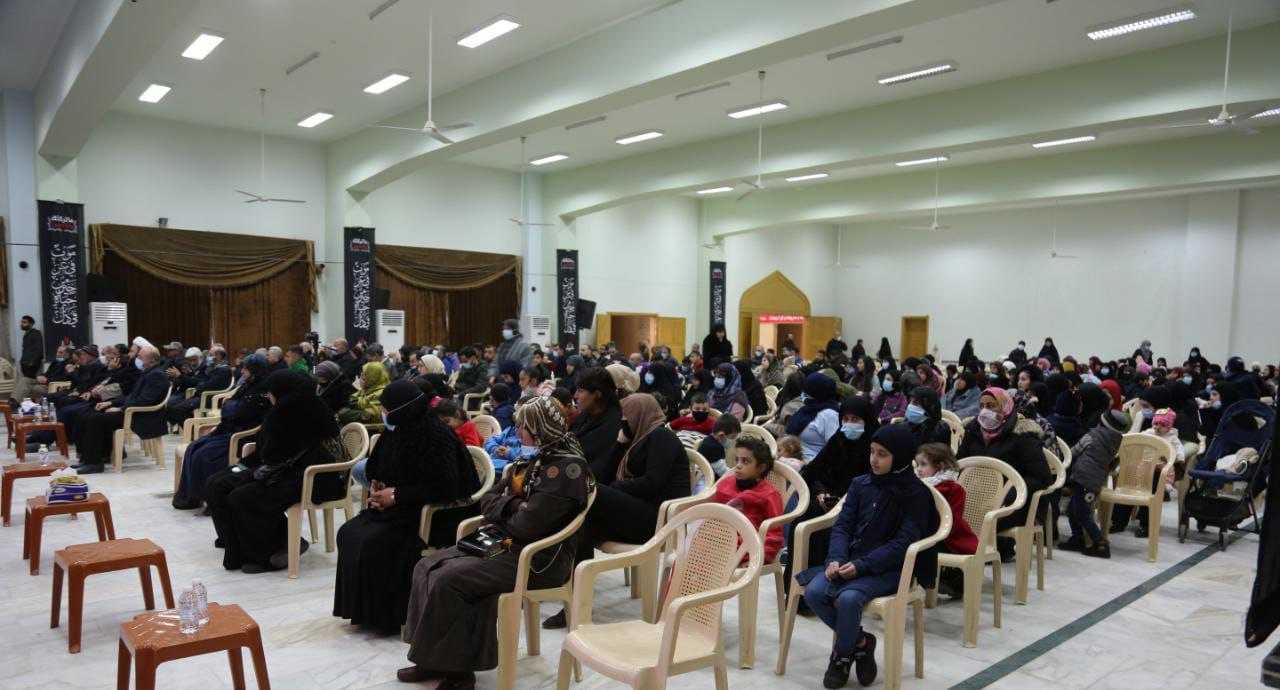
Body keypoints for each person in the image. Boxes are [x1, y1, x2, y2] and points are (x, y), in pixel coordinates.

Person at [398, 396, 592, 688]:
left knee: (453, 580)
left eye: (523, 427)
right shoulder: (530, 460)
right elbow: (488, 498)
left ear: (539, 429)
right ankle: (430, 659)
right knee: (426, 566)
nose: (518, 433)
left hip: (538, 558)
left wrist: (506, 509)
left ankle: (459, 672)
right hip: (506, 543)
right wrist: (514, 505)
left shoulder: (567, 469)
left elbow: (528, 525)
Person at [334, 380, 482, 634]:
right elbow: (375, 464)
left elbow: (445, 486)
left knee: (375, 542)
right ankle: (362, 611)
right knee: (349, 532)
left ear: (402, 408)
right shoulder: (396, 430)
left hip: (434, 513)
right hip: (401, 507)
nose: (384, 413)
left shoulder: (436, 435)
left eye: (386, 408)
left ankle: (388, 616)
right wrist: (378, 483)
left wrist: (397, 495)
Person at [542, 392, 688, 630]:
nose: (623, 422)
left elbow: (652, 483)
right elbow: (603, 475)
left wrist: (613, 489)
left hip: (659, 520)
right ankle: (576, 601)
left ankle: (567, 590)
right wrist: (620, 445)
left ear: (640, 414)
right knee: (582, 524)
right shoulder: (636, 439)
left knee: (591, 492)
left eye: (626, 418)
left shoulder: (662, 437)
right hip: (637, 512)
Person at [801, 424, 931, 689]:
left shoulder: (916, 494)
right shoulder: (861, 484)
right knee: (814, 592)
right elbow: (842, 527)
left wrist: (862, 565)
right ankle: (861, 643)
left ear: (900, 456)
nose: (874, 459)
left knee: (848, 599)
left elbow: (903, 543)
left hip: (889, 568)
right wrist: (835, 559)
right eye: (872, 452)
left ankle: (840, 658)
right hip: (850, 560)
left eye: (882, 454)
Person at [206, 370, 350, 573]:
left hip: (315, 477)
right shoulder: (295, 406)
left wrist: (252, 468)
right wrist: (249, 466)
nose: (268, 396)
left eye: (271, 392)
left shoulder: (290, 410)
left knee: (242, 495)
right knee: (220, 484)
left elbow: (274, 453)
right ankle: (237, 544)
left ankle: (268, 553)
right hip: (291, 470)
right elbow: (272, 451)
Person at [956, 387, 1051, 560]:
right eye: (982, 406)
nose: (985, 411)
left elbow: (1041, 477)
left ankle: (977, 555)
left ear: (1005, 406)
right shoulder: (974, 430)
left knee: (979, 519)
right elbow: (960, 464)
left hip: (1012, 502)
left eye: (991, 406)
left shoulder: (1022, 434)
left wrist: (1005, 492)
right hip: (975, 495)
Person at [172, 354, 273, 510]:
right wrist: (231, 406)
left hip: (243, 435)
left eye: (246, 369)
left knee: (204, 455)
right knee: (194, 447)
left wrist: (230, 406)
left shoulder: (263, 390)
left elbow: (239, 412)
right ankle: (191, 497)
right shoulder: (247, 385)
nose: (242, 372)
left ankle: (209, 498)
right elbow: (229, 407)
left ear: (255, 370)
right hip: (229, 429)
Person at [71, 345, 171, 474]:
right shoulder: (148, 372)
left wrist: (120, 409)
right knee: (88, 414)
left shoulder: (157, 375)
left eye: (140, 357)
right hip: (134, 412)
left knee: (95, 419)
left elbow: (145, 400)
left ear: (151, 360)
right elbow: (132, 396)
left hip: (143, 416)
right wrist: (110, 403)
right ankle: (93, 458)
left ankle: (94, 464)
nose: (137, 358)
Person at [1060, 409, 1128, 559]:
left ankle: (1101, 544)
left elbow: (1073, 452)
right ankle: (1077, 538)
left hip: (1083, 478)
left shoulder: (1092, 436)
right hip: (1095, 480)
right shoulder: (1116, 440)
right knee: (1073, 509)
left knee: (1083, 513)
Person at [914, 442, 978, 596]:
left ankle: (949, 582)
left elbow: (952, 524)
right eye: (917, 464)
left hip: (951, 539)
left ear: (940, 466)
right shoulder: (918, 486)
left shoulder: (954, 490)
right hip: (926, 534)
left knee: (919, 548)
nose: (918, 469)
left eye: (923, 464)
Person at [713, 436, 784, 563]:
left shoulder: (769, 494)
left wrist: (757, 559)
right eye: (737, 460)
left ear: (761, 468)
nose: (738, 466)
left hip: (745, 550)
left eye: (745, 461)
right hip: (715, 543)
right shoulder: (725, 483)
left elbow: (774, 534)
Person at [569, 368, 623, 477]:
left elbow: (600, 469)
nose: (575, 396)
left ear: (597, 394)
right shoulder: (586, 415)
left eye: (580, 391)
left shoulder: (613, 426)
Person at [787, 372, 841, 461]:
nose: (803, 393)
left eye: (807, 391)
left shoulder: (830, 415)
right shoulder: (808, 408)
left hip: (811, 463)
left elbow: (833, 450)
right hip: (793, 456)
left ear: (816, 392)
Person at [13, 315, 44, 403]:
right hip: (25, 364)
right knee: (26, 384)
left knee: (30, 384)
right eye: (21, 322)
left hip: (32, 365)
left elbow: (39, 350)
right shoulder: (26, 334)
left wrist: (32, 362)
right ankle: (26, 403)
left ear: (31, 324)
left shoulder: (36, 333)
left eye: (24, 322)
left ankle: (29, 402)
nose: (22, 324)